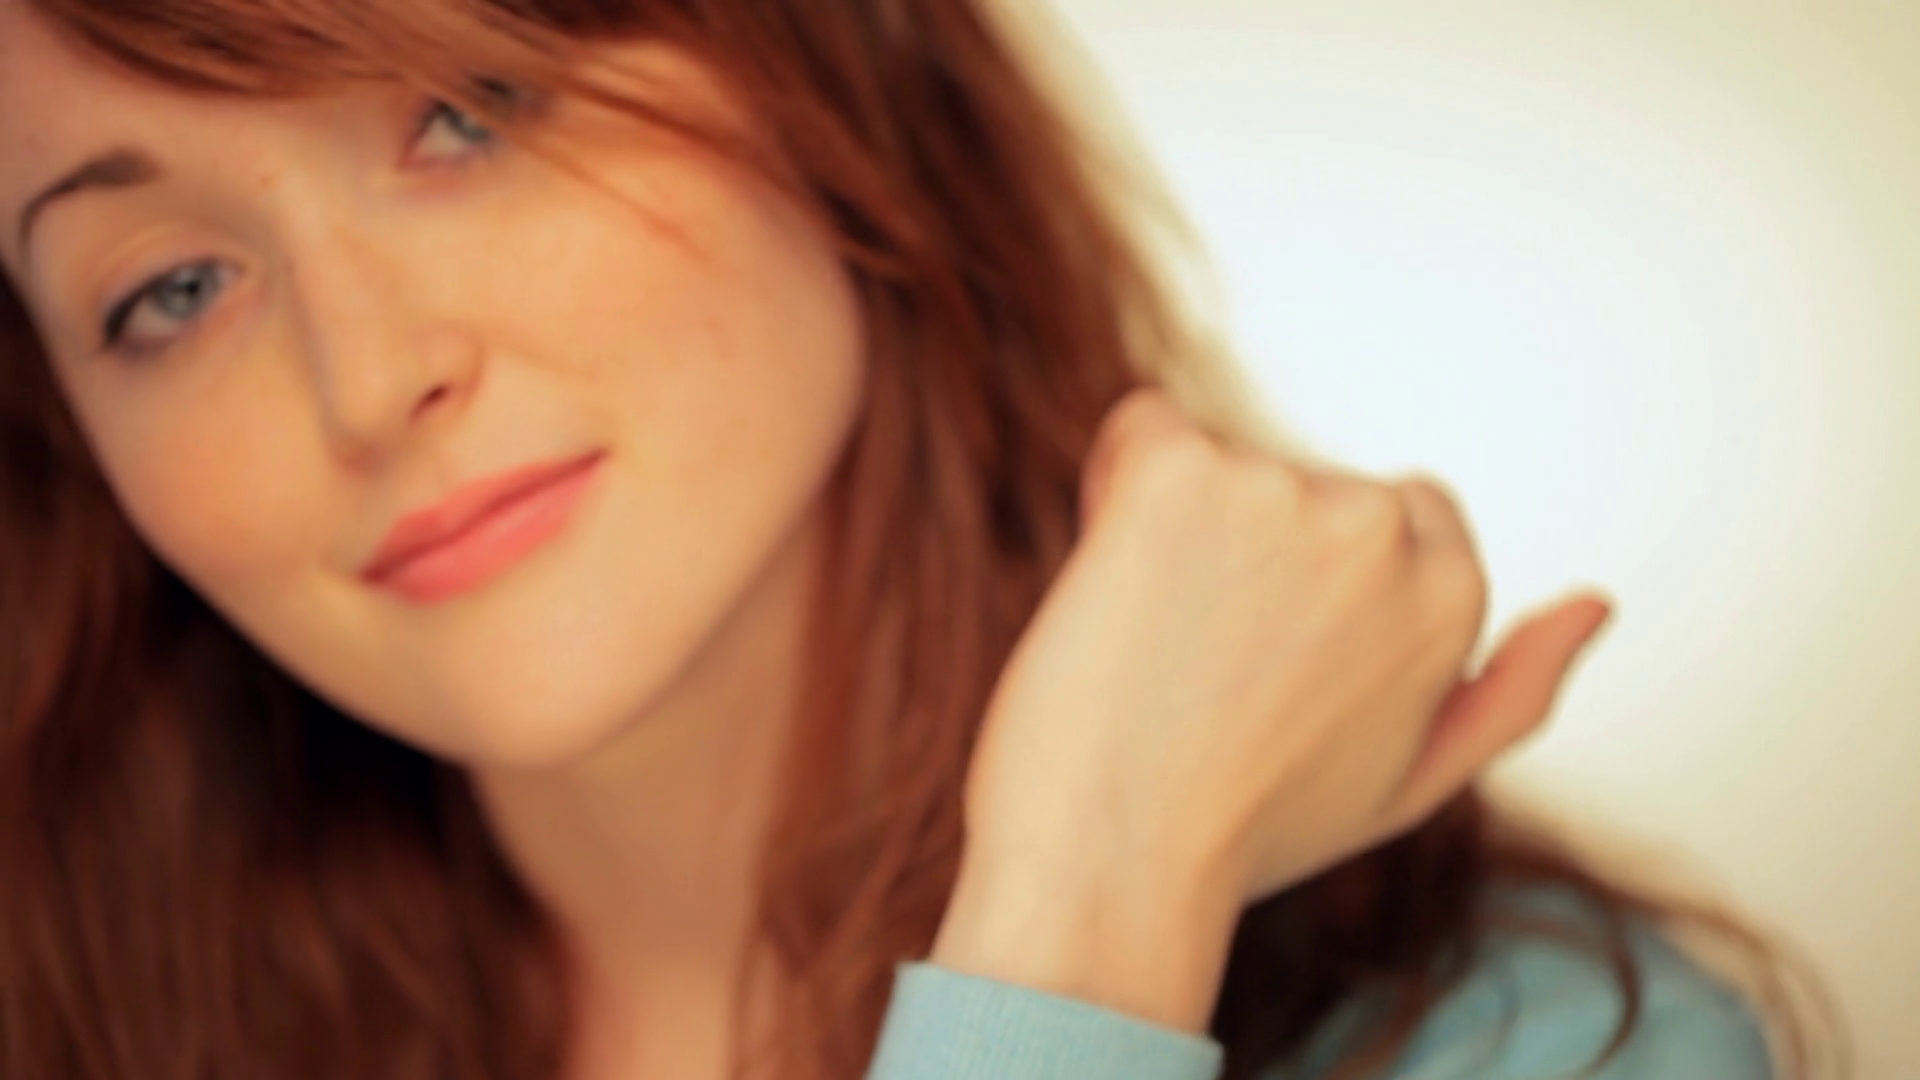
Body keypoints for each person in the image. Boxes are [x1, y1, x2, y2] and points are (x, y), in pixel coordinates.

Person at [0, 1, 1820, 1078]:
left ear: (829, 67)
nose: (369, 378)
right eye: (170, 291)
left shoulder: (1532, 1046)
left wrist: (1091, 914)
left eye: (468, 114)